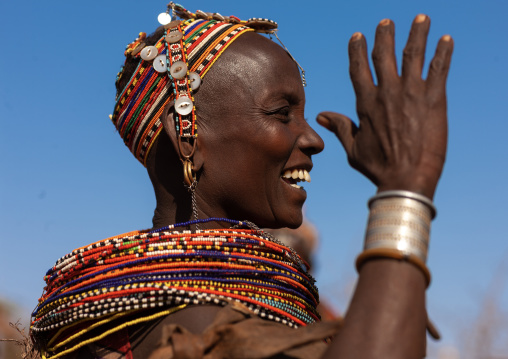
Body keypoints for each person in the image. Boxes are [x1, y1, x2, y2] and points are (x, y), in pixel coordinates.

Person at [29, 2, 453, 358]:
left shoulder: (122, 315)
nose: (313, 139)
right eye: (281, 113)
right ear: (189, 137)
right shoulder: (189, 323)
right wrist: (405, 188)